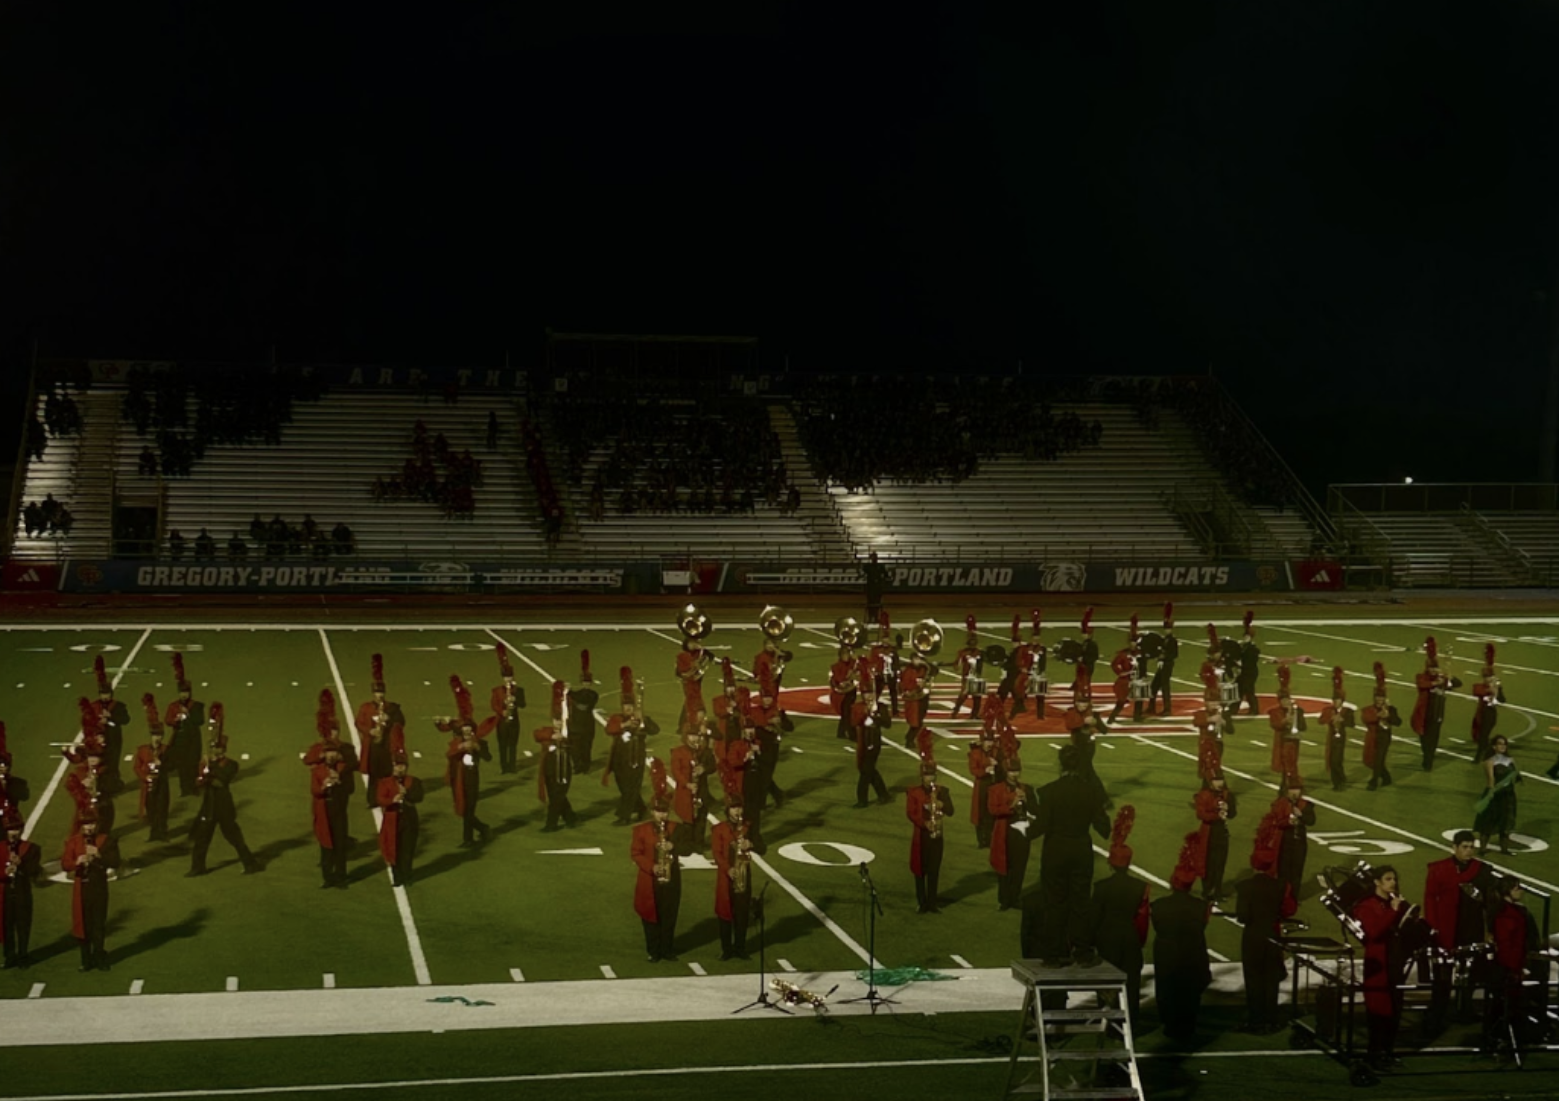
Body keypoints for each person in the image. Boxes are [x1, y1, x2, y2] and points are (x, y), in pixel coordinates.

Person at [1032, 743, 1111, 965]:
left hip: (1055, 851)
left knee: (1054, 902)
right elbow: (1103, 828)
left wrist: (1023, 831)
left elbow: (1041, 825)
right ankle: (1083, 951)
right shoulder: (1091, 791)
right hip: (1080, 850)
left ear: (1060, 764)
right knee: (1080, 902)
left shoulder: (1049, 792)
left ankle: (1053, 953)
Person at [1422, 830, 1496, 1033]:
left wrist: (1490, 930)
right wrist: (1432, 926)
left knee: (1471, 973)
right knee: (1442, 975)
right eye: (1464, 847)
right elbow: (1429, 899)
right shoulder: (1439, 869)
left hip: (1471, 928)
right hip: (1445, 929)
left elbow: (1491, 902)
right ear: (1454, 847)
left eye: (1472, 847)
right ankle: (1437, 1013)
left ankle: (1465, 1008)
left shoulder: (1483, 870)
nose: (1469, 851)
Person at [1235, 809, 1296, 1034]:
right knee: (1271, 980)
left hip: (1252, 936)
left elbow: (1242, 916)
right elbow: (1289, 910)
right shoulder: (1281, 885)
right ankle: (1271, 1019)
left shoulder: (1244, 886)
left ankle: (1256, 1019)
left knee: (1253, 979)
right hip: (1272, 934)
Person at [1090, 807, 1150, 1027]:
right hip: (1130, 937)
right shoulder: (1141, 886)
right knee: (1131, 984)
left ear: (1111, 862)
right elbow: (1143, 919)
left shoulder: (1101, 887)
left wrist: (1090, 941)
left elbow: (1094, 916)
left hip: (1107, 937)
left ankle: (1107, 1023)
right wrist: (1138, 939)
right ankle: (1130, 1023)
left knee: (1106, 982)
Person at [1151, 834, 1213, 1042]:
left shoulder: (1159, 905)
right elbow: (1202, 925)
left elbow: (1158, 926)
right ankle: (1187, 1026)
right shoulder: (1200, 906)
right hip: (1192, 952)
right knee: (1189, 992)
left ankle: (1170, 1025)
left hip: (1167, 953)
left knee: (1167, 989)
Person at [188, 706, 261, 877]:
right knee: (202, 839)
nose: (215, 751)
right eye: (214, 748)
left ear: (224, 750)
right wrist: (202, 773)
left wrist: (209, 769)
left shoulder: (231, 764)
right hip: (209, 806)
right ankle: (197, 867)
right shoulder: (209, 763)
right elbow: (199, 783)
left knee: (234, 838)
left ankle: (250, 863)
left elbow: (220, 781)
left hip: (224, 807)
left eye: (218, 749)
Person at [632, 764, 693, 963]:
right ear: (652, 812)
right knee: (650, 916)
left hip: (672, 877)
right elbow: (635, 853)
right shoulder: (640, 830)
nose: (662, 815)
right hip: (650, 880)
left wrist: (673, 846)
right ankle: (653, 950)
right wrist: (652, 867)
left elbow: (688, 849)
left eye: (664, 812)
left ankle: (667, 949)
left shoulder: (676, 828)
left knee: (669, 914)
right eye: (658, 812)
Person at [1351, 864, 1409, 1070]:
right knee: (1378, 1012)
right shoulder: (1366, 905)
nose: (1393, 882)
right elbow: (1374, 932)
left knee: (1395, 1008)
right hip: (1378, 963)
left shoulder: (1394, 903)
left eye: (1394, 879)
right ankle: (1375, 1054)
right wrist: (1393, 912)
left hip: (1395, 961)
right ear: (1376, 882)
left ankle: (1388, 1052)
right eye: (1388, 879)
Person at [1485, 876, 1544, 1054]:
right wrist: (1516, 969)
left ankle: (1501, 1038)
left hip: (1510, 966)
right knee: (1505, 1006)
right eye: (1517, 888)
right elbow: (1507, 946)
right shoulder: (1507, 914)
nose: (1521, 891)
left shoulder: (1510, 911)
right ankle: (1500, 1039)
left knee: (1506, 1005)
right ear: (1507, 892)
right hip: (1508, 969)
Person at [711, 774, 763, 959]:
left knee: (742, 913)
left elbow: (762, 847)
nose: (737, 811)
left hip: (744, 875)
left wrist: (751, 844)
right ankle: (726, 950)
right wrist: (728, 869)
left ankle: (740, 948)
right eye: (733, 808)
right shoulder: (718, 830)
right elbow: (716, 853)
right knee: (725, 914)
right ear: (727, 810)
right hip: (726, 877)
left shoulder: (749, 827)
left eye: (739, 807)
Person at [63, 812, 119, 971]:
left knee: (98, 924)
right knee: (83, 923)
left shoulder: (106, 840)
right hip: (82, 888)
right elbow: (65, 864)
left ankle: (100, 956)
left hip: (99, 887)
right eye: (86, 824)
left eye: (92, 824)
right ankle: (86, 959)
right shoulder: (73, 842)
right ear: (81, 826)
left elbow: (116, 862)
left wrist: (99, 855)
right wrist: (77, 862)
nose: (89, 827)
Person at [440, 676, 492, 847]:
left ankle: (467, 839)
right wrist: (463, 746)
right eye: (465, 730)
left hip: (471, 778)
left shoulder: (479, 742)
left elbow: (488, 758)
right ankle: (483, 828)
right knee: (462, 809)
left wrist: (477, 748)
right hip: (458, 777)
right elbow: (450, 753)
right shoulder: (458, 742)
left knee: (469, 809)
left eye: (470, 730)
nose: (468, 733)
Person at [906, 734, 955, 914]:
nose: (931, 778)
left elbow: (951, 811)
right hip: (922, 835)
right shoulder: (914, 792)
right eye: (927, 775)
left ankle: (932, 902)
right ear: (922, 776)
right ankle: (922, 901)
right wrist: (924, 823)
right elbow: (910, 813)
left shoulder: (942, 791)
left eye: (932, 775)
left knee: (934, 869)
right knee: (920, 869)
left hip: (937, 834)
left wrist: (942, 804)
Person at [603, 667, 657, 825]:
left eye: (630, 707)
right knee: (624, 787)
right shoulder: (617, 718)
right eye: (625, 706)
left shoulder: (641, 719)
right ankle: (640, 809)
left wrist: (644, 721)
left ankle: (624, 816)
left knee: (630, 787)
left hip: (635, 758)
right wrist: (624, 724)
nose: (627, 709)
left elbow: (655, 730)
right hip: (619, 759)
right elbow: (609, 729)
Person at [989, 746, 1037, 914]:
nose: (1014, 774)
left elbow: (1036, 811)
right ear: (1006, 772)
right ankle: (1003, 899)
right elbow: (993, 810)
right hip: (1004, 832)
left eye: (1016, 771)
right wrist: (1012, 803)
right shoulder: (995, 790)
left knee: (1019, 867)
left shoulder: (1027, 789)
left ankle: (1015, 897)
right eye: (1011, 771)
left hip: (1022, 832)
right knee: (1004, 867)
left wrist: (1027, 802)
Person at [376, 734, 423, 889]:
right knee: (394, 849)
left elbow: (419, 796)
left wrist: (406, 794)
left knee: (408, 850)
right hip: (392, 818)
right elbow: (380, 799)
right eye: (397, 766)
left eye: (402, 766)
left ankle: (407, 875)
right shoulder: (385, 782)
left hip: (409, 819)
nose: (399, 769)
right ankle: (397, 877)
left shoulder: (413, 781)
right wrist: (392, 800)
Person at [1412, 635, 1461, 771]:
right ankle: (1426, 756)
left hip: (1437, 713)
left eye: (1435, 668)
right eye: (1431, 668)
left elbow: (1458, 683)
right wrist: (1436, 682)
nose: (1433, 670)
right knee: (1423, 738)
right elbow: (1422, 684)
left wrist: (1449, 676)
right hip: (1424, 713)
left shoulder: (1443, 678)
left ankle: (1429, 761)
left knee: (1433, 739)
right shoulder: (1421, 677)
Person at [311, 733, 354, 888]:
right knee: (326, 845)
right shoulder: (318, 771)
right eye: (328, 752)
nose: (331, 755)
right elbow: (314, 790)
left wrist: (339, 782)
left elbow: (350, 789)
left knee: (340, 845)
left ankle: (341, 877)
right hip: (325, 810)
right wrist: (324, 786)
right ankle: (328, 877)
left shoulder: (344, 769)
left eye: (333, 752)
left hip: (339, 809)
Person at [355, 654, 397, 809]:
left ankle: (387, 796)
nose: (380, 696)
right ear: (373, 694)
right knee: (374, 775)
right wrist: (370, 731)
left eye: (382, 693)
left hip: (385, 746)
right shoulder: (366, 707)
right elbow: (358, 723)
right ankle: (372, 800)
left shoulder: (390, 708)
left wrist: (389, 719)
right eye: (377, 693)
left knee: (386, 773)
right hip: (372, 746)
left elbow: (400, 722)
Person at [535, 682, 577, 832]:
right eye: (556, 720)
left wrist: (564, 739)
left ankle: (551, 824)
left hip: (563, 769)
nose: (558, 723)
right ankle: (570, 817)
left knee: (558, 796)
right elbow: (537, 734)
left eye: (560, 720)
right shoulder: (548, 731)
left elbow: (575, 744)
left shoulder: (569, 734)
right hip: (549, 769)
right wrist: (552, 736)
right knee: (555, 796)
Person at [1, 809, 41, 969]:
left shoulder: (31, 848)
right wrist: (4, 873)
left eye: (16, 829)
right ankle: (9, 956)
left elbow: (34, 871)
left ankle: (23, 955)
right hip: (5, 892)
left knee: (23, 925)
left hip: (22, 891)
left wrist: (21, 864)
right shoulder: (0, 848)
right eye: (11, 829)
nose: (14, 833)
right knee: (6, 925)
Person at [850, 659, 891, 808]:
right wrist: (865, 714)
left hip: (874, 741)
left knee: (866, 771)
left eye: (871, 694)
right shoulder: (857, 707)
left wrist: (876, 716)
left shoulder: (881, 707)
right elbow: (854, 723)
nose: (869, 697)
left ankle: (862, 800)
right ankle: (883, 794)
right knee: (866, 769)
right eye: (866, 694)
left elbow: (888, 724)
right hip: (862, 740)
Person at [133, 693, 172, 842]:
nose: (157, 739)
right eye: (155, 736)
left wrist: (163, 765)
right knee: (151, 810)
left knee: (162, 809)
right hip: (148, 785)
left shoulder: (166, 750)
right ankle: (153, 833)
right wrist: (145, 777)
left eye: (159, 736)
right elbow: (136, 767)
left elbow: (172, 765)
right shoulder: (143, 750)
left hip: (162, 784)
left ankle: (163, 832)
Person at [1474, 734, 1521, 856]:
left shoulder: (1511, 760)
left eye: (1505, 743)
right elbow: (1491, 780)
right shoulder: (1489, 761)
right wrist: (1490, 795)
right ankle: (1482, 849)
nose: (1503, 746)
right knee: (1488, 822)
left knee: (1506, 822)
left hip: (1508, 795)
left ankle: (1504, 849)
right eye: (1500, 743)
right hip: (1495, 795)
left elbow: (1516, 777)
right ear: (1494, 746)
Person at [1193, 772, 1236, 905]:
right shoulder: (1204, 795)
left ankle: (1217, 891)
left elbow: (1233, 814)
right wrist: (1217, 814)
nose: (1219, 783)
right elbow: (1201, 814)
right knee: (1208, 862)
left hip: (1222, 832)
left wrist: (1228, 809)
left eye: (1221, 780)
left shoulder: (1227, 795)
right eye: (1216, 780)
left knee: (1220, 863)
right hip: (1209, 833)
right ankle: (1207, 891)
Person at [166, 654, 205, 798]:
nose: (183, 695)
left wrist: (188, 713)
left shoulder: (197, 706)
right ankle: (184, 788)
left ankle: (193, 787)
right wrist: (176, 719)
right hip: (180, 738)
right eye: (181, 692)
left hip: (193, 737)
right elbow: (167, 720)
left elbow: (200, 721)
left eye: (186, 692)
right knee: (182, 765)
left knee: (193, 763)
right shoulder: (173, 706)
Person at [1271, 775, 1315, 902]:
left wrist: (1301, 815)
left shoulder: (1305, 805)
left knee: (1297, 871)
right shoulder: (1280, 804)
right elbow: (1276, 821)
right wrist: (1288, 822)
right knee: (1283, 871)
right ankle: (1281, 896)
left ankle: (1293, 897)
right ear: (1287, 791)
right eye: (1292, 789)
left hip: (1299, 843)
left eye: (1297, 789)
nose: (1295, 792)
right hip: (1284, 842)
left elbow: (1311, 821)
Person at [1361, 662, 1401, 791]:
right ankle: (1386, 776)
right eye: (1377, 697)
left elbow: (1398, 722)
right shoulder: (1369, 709)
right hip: (1372, 736)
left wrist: (1388, 715)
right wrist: (1379, 715)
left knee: (1378, 760)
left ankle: (1373, 782)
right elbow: (1365, 719)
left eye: (1381, 697)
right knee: (1370, 760)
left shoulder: (1390, 709)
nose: (1379, 699)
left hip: (1384, 737)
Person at [489, 644, 526, 775]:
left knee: (513, 745)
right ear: (503, 678)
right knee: (502, 745)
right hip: (502, 722)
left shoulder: (518, 690)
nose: (508, 680)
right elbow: (493, 704)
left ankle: (512, 767)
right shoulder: (497, 691)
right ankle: (504, 767)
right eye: (506, 678)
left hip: (514, 720)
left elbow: (523, 704)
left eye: (510, 677)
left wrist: (516, 700)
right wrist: (502, 711)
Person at [566, 651, 600, 774]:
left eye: (588, 683)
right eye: (584, 683)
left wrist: (569, 692)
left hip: (587, 726)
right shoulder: (576, 694)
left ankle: (585, 766)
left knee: (586, 748)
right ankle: (577, 766)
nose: (586, 685)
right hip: (575, 726)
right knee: (575, 748)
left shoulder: (593, 695)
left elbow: (584, 700)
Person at [1470, 644, 1506, 762]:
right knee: (1480, 735)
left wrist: (1498, 689)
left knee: (1483, 735)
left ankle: (1479, 756)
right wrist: (1490, 689)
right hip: (1481, 713)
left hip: (1490, 714)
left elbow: (1502, 700)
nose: (1488, 679)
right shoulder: (1479, 686)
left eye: (1490, 677)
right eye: (1486, 677)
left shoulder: (1496, 687)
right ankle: (1487, 752)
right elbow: (1477, 692)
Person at [1267, 665, 1305, 779]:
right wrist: (1285, 721)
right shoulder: (1274, 712)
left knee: (1292, 765)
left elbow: (1303, 727)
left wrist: (1297, 717)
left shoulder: (1297, 710)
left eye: (1287, 699)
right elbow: (1274, 725)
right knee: (1284, 767)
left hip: (1293, 741)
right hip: (1282, 741)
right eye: (1282, 700)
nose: (1285, 702)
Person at [1320, 666, 1354, 791]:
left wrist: (1342, 720)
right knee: (1333, 760)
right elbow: (1320, 720)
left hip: (1341, 738)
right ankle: (1339, 780)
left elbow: (1352, 723)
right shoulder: (1329, 710)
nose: (1336, 702)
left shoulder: (1347, 711)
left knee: (1336, 761)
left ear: (1342, 701)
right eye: (1334, 700)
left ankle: (1339, 782)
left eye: (1338, 700)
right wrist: (1329, 719)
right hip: (1331, 737)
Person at [1193, 670, 1230, 781]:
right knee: (1206, 768)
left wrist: (1224, 722)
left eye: (1216, 702)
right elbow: (1196, 722)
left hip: (1218, 744)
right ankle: (1207, 790)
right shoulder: (1201, 714)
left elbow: (1231, 730)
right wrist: (1210, 719)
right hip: (1205, 744)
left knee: (1216, 766)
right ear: (1206, 703)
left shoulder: (1223, 713)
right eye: (1211, 702)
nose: (1214, 705)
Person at [968, 729, 1001, 850]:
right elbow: (973, 770)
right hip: (982, 785)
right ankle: (982, 840)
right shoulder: (975, 753)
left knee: (992, 812)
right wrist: (986, 767)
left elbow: (1016, 744)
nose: (989, 743)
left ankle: (992, 838)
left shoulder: (996, 751)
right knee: (981, 813)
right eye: (987, 740)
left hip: (994, 785)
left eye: (991, 740)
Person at [950, 617, 983, 719]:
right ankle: (955, 712)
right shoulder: (963, 652)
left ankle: (974, 714)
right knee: (963, 696)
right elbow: (957, 664)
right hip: (967, 677)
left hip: (975, 677)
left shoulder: (979, 652)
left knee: (977, 697)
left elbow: (981, 665)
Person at [1150, 602, 1179, 717]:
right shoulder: (1164, 639)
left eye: (1168, 628)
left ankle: (1167, 709)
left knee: (1165, 686)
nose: (1167, 630)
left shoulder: (1172, 640)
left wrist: (1164, 657)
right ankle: (1151, 707)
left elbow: (1174, 654)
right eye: (1166, 628)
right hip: (1161, 665)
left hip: (1167, 665)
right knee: (1154, 686)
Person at [1236, 611, 1261, 715]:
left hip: (1249, 672)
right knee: (1240, 691)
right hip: (1244, 672)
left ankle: (1254, 709)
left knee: (1248, 691)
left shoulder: (1251, 649)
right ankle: (1234, 709)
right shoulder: (1245, 647)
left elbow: (1249, 660)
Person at [862, 550, 889, 625]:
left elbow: (886, 575)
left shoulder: (880, 566)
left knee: (877, 602)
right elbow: (863, 574)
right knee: (870, 602)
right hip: (870, 587)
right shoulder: (867, 567)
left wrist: (882, 580)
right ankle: (871, 617)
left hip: (877, 587)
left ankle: (876, 617)